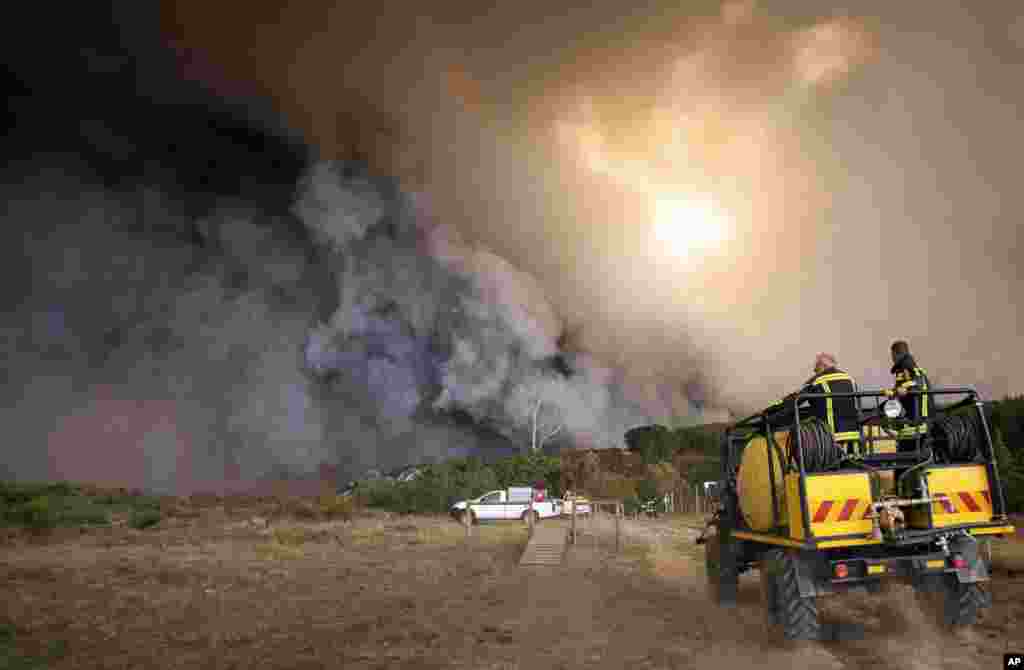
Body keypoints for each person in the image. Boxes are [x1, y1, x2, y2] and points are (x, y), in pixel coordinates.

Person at [768, 353, 861, 446]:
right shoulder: (850, 379)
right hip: (854, 437)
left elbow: (793, 400)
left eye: (816, 369)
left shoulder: (817, 380)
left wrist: (768, 412)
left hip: (830, 440)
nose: (814, 371)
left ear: (822, 366)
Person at [888, 340, 931, 452]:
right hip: (920, 424)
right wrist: (895, 391)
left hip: (912, 425)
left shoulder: (906, 368)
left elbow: (912, 386)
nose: (891, 358)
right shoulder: (915, 369)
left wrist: (897, 392)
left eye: (892, 355)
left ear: (896, 354)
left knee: (884, 409)